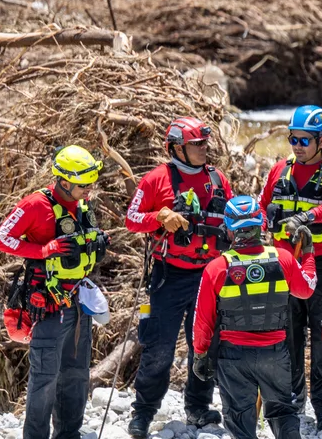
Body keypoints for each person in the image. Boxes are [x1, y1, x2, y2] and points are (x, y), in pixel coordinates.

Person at [126, 117, 234, 437]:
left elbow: (234, 219)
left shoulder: (217, 179)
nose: (203, 149)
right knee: (158, 347)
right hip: (168, 276)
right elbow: (132, 219)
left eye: (204, 143)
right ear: (176, 148)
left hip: (209, 275)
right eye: (196, 144)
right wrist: (158, 216)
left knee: (204, 346)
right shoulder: (156, 179)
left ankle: (198, 408)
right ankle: (143, 412)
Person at [0, 145, 108, 439]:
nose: (89, 189)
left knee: (77, 374)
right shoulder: (35, 205)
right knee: (45, 378)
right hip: (49, 306)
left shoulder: (83, 204)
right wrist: (42, 250)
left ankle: (69, 433)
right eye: (84, 184)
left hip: (79, 304)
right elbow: (1, 239)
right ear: (65, 181)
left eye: (91, 183)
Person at [258, 105, 322, 430]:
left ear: (321, 139)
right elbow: (260, 207)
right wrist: (261, 227)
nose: (297, 146)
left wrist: (310, 216)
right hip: (287, 263)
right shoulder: (279, 171)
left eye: (305, 140)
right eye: (293, 139)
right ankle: (294, 400)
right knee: (288, 334)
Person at [191, 195, 317, 439]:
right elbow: (307, 288)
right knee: (283, 411)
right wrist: (308, 255)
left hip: (234, 355)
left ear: (228, 227)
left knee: (239, 417)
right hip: (275, 352)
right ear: (260, 223)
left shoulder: (217, 268)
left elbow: (203, 319)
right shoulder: (283, 258)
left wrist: (200, 353)